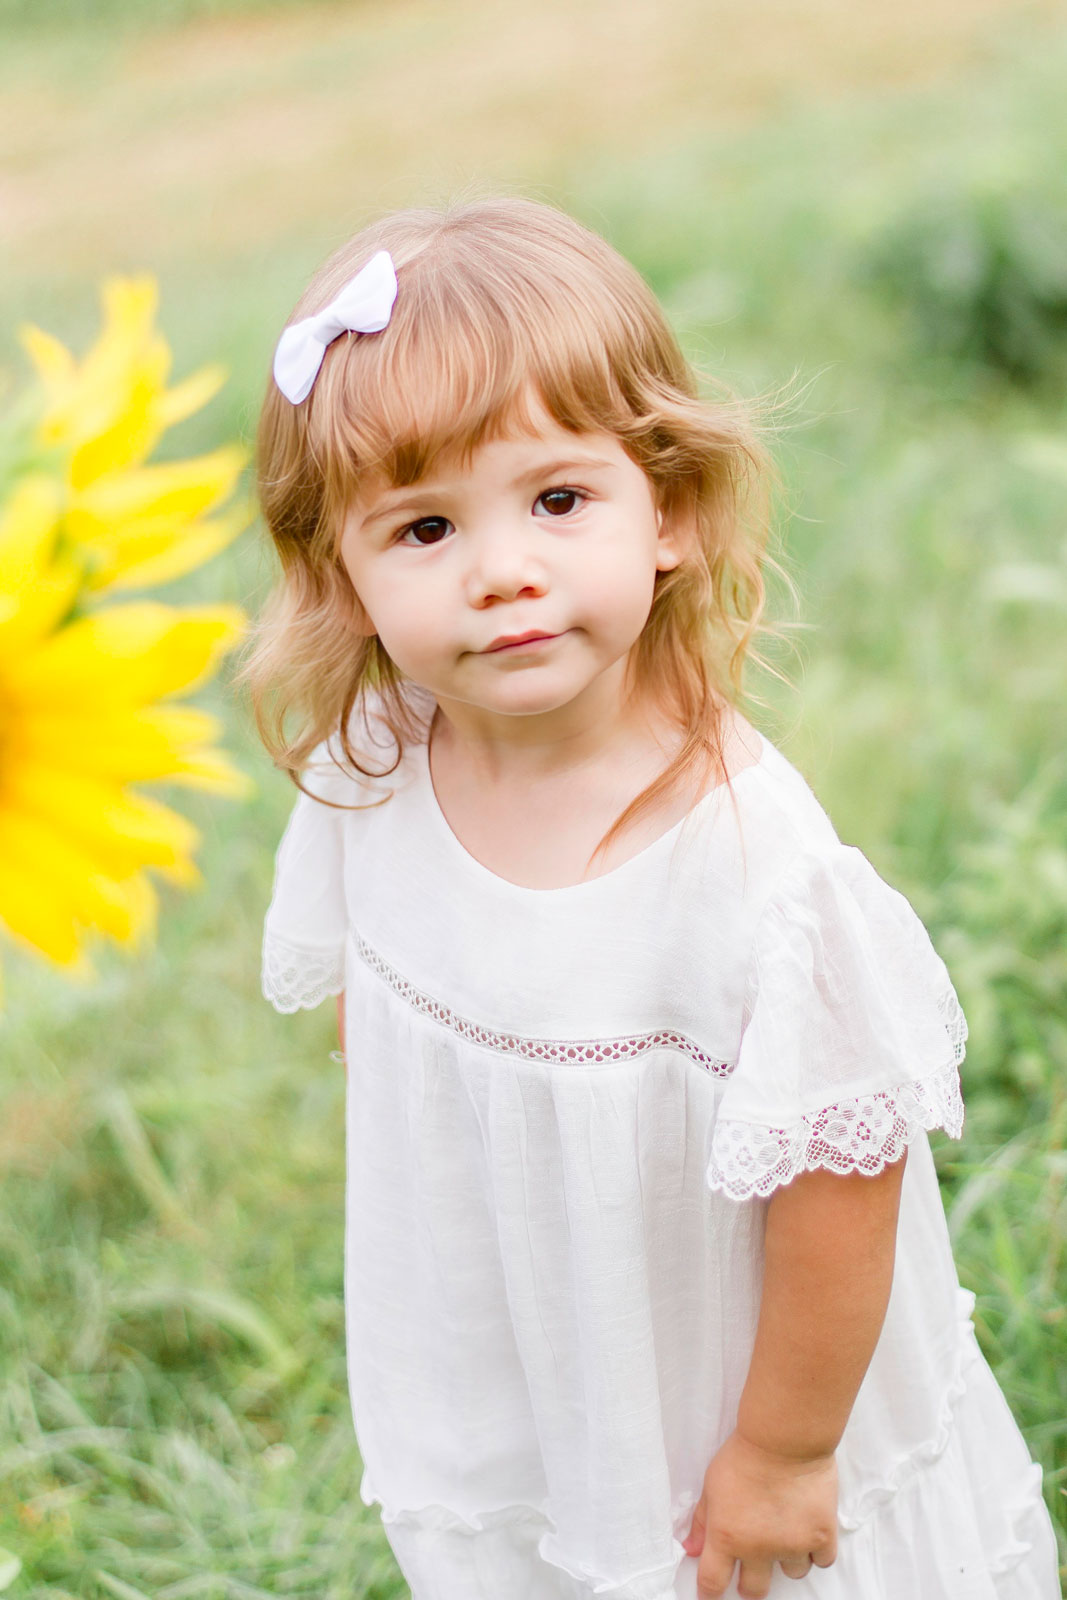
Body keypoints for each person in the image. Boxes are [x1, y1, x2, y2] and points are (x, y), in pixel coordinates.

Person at [244, 197, 1061, 1600]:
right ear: (344, 577)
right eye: (426, 527)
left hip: (726, 1399)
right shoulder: (374, 775)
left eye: (558, 501)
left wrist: (787, 1451)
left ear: (668, 512)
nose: (504, 570)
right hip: (530, 1364)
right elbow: (389, 1020)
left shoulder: (749, 874)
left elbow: (841, 1184)